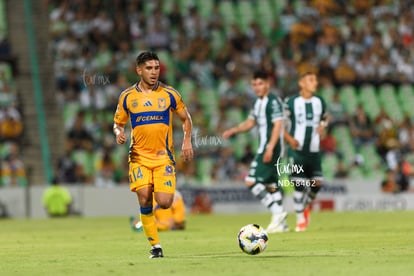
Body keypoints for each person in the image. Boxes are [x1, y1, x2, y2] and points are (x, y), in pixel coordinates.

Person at [113, 51, 193, 258]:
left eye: (156, 68)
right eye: (149, 68)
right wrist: (119, 132)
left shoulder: (170, 94)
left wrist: (186, 140)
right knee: (144, 197)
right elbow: (117, 123)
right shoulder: (127, 97)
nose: (154, 72)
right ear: (139, 70)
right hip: (139, 157)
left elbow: (186, 118)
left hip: (163, 157)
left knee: (165, 201)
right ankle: (155, 247)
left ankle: (153, 218)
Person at [222, 70, 288, 234]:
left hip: (270, 147)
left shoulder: (273, 101)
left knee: (251, 180)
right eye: (254, 84)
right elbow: (250, 122)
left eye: (260, 84)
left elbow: (278, 125)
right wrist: (234, 130)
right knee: (271, 184)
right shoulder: (258, 103)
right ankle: (281, 224)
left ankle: (277, 213)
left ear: (268, 84)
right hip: (267, 147)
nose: (257, 87)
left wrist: (270, 148)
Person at [284, 71, 329, 232]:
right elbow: (278, 124)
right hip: (297, 151)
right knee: (299, 184)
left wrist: (323, 127)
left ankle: (306, 206)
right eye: (311, 80)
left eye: (316, 80)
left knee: (316, 184)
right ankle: (300, 220)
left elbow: (325, 117)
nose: (315, 83)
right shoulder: (291, 102)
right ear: (301, 83)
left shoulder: (319, 101)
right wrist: (289, 139)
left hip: (314, 150)